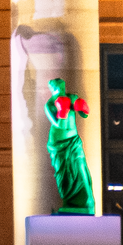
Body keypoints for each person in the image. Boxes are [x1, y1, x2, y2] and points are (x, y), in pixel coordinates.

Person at [43, 78, 94, 215]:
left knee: (81, 166)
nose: (61, 89)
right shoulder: (49, 105)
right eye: (58, 87)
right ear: (53, 89)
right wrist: (63, 110)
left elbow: (85, 113)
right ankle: (69, 201)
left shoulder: (71, 97)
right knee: (64, 173)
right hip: (58, 144)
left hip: (73, 140)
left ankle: (88, 200)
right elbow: (59, 124)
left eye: (63, 87)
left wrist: (82, 106)